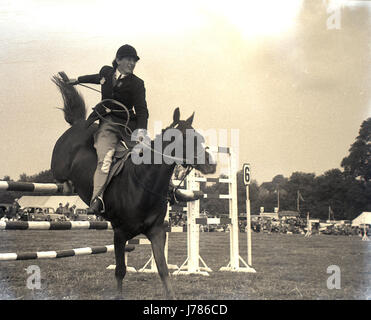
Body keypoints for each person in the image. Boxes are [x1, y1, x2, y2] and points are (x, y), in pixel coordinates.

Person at [67, 44, 149, 215]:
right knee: (105, 159)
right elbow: (96, 78)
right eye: (128, 60)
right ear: (118, 60)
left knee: (146, 156)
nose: (132, 64)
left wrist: (141, 132)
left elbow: (142, 110)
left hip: (128, 126)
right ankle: (97, 199)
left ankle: (169, 190)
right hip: (107, 125)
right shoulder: (106, 72)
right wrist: (78, 80)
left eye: (134, 61)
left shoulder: (137, 84)